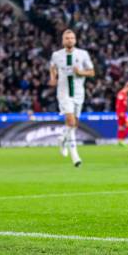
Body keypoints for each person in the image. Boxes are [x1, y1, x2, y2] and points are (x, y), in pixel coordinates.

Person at [48, 29, 95, 167]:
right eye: (67, 38)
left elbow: (92, 72)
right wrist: (53, 78)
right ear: (63, 40)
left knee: (74, 124)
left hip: (79, 93)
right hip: (64, 92)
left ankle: (62, 139)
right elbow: (52, 67)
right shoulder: (56, 55)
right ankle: (75, 157)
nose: (69, 40)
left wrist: (80, 72)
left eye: (72, 38)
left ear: (75, 40)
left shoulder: (83, 54)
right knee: (70, 120)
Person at [115, 81, 128, 149]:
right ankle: (122, 140)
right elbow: (118, 105)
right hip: (121, 113)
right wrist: (120, 113)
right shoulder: (121, 94)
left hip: (122, 113)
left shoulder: (124, 94)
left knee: (121, 127)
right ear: (127, 87)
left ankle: (120, 141)